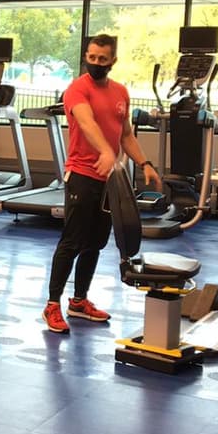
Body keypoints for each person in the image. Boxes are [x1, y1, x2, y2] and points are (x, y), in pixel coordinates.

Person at [43, 34, 160, 333]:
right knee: (72, 240)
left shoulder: (120, 92)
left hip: (109, 179)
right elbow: (86, 122)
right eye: (91, 58)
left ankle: (79, 301)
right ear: (86, 56)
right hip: (82, 174)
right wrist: (106, 152)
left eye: (102, 59)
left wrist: (145, 163)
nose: (95, 63)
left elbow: (126, 135)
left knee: (96, 243)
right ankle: (52, 305)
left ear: (112, 61)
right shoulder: (77, 89)